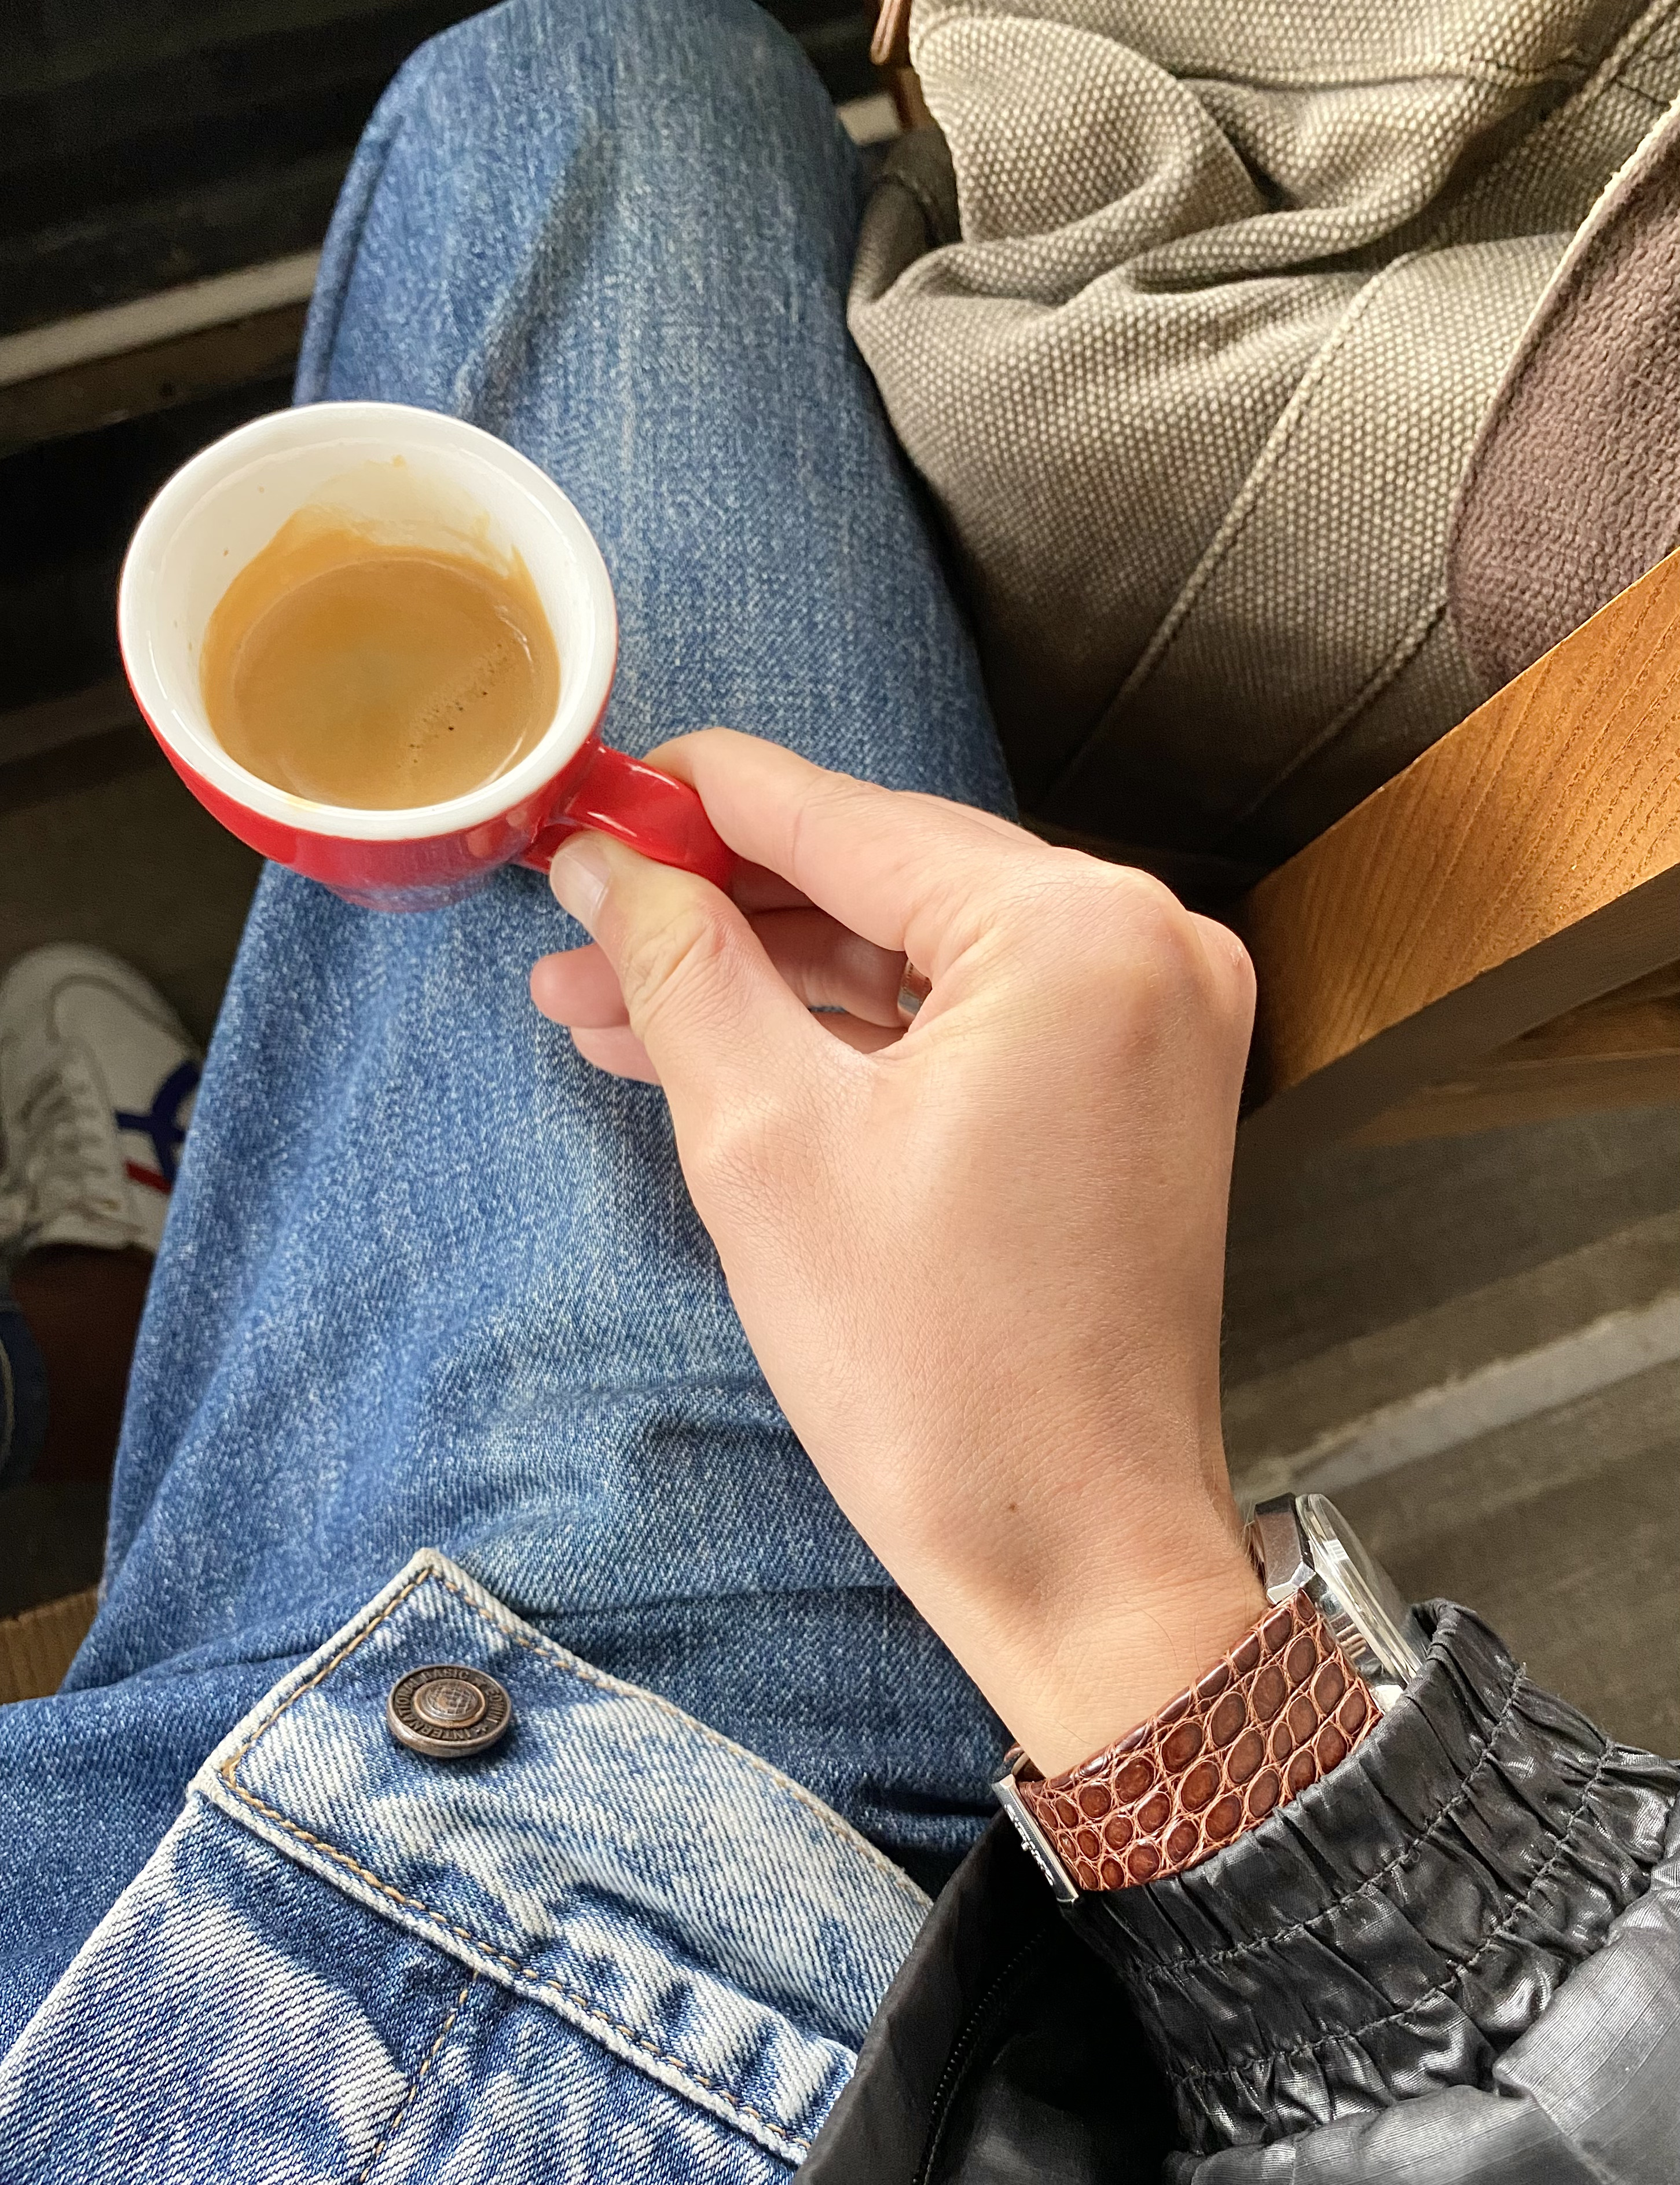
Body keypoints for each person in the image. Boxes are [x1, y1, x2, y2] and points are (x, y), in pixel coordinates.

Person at [0, 1, 1676, 2178]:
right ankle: (161, 1261)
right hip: (735, 1923)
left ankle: (142, 1282)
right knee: (599, 76)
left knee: (585, 68)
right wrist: (1132, 1623)